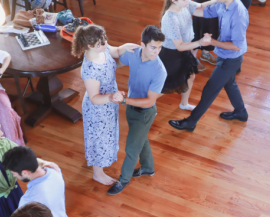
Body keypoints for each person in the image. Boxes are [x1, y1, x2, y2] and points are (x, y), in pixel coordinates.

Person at [71, 24, 138, 185]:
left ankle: (102, 161)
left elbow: (114, 51)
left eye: (105, 40)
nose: (105, 44)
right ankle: (97, 173)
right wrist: (110, 97)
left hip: (109, 101)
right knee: (98, 139)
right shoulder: (90, 68)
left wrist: (125, 47)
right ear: (89, 46)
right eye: (101, 43)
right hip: (98, 107)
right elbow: (94, 97)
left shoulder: (103, 47)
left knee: (107, 135)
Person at [169, 0, 249, 132]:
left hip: (231, 59)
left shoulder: (238, 13)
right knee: (229, 84)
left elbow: (236, 46)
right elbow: (201, 12)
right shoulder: (222, 4)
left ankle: (191, 122)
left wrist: (211, 42)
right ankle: (241, 112)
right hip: (223, 55)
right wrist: (181, 6)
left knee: (209, 89)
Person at [106, 26, 168, 196]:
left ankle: (123, 180)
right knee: (140, 139)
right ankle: (148, 168)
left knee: (132, 149)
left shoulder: (160, 71)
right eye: (153, 47)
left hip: (145, 113)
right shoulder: (133, 52)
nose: (157, 51)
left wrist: (124, 100)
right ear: (143, 45)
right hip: (131, 108)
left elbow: (149, 100)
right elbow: (118, 62)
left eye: (160, 47)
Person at [160, 0, 212, 111]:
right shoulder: (170, 19)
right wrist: (200, 43)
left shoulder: (185, 5)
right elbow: (179, 46)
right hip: (171, 55)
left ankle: (184, 104)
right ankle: (146, 103)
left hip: (185, 50)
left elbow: (201, 6)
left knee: (190, 76)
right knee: (168, 85)